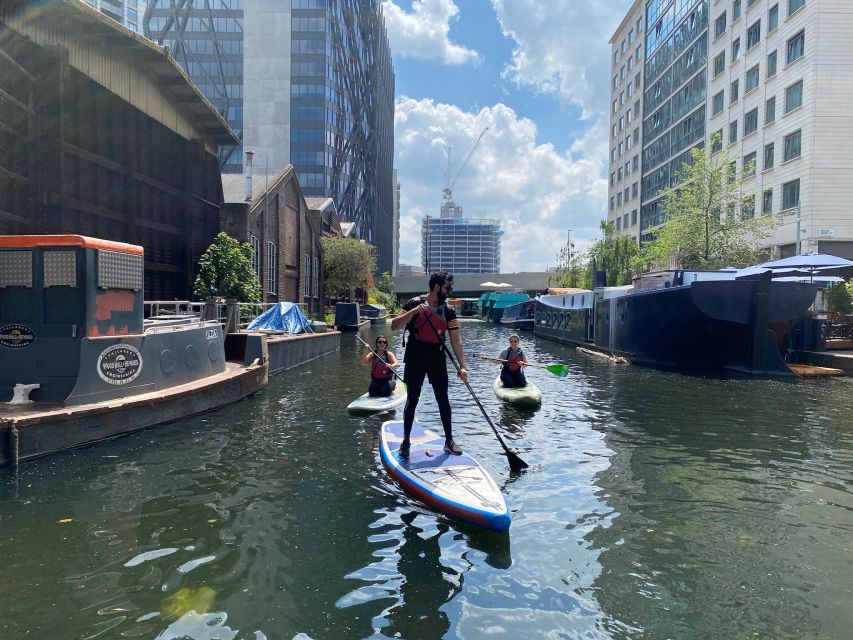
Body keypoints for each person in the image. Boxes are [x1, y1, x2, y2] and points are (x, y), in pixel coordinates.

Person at [390, 271, 468, 459]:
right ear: (436, 287)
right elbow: (394, 325)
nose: (450, 291)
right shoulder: (414, 303)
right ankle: (406, 442)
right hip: (415, 354)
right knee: (413, 399)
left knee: (443, 399)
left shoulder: (448, 311)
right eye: (448, 287)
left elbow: (456, 341)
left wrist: (463, 366)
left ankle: (449, 441)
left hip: (436, 356)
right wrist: (414, 312)